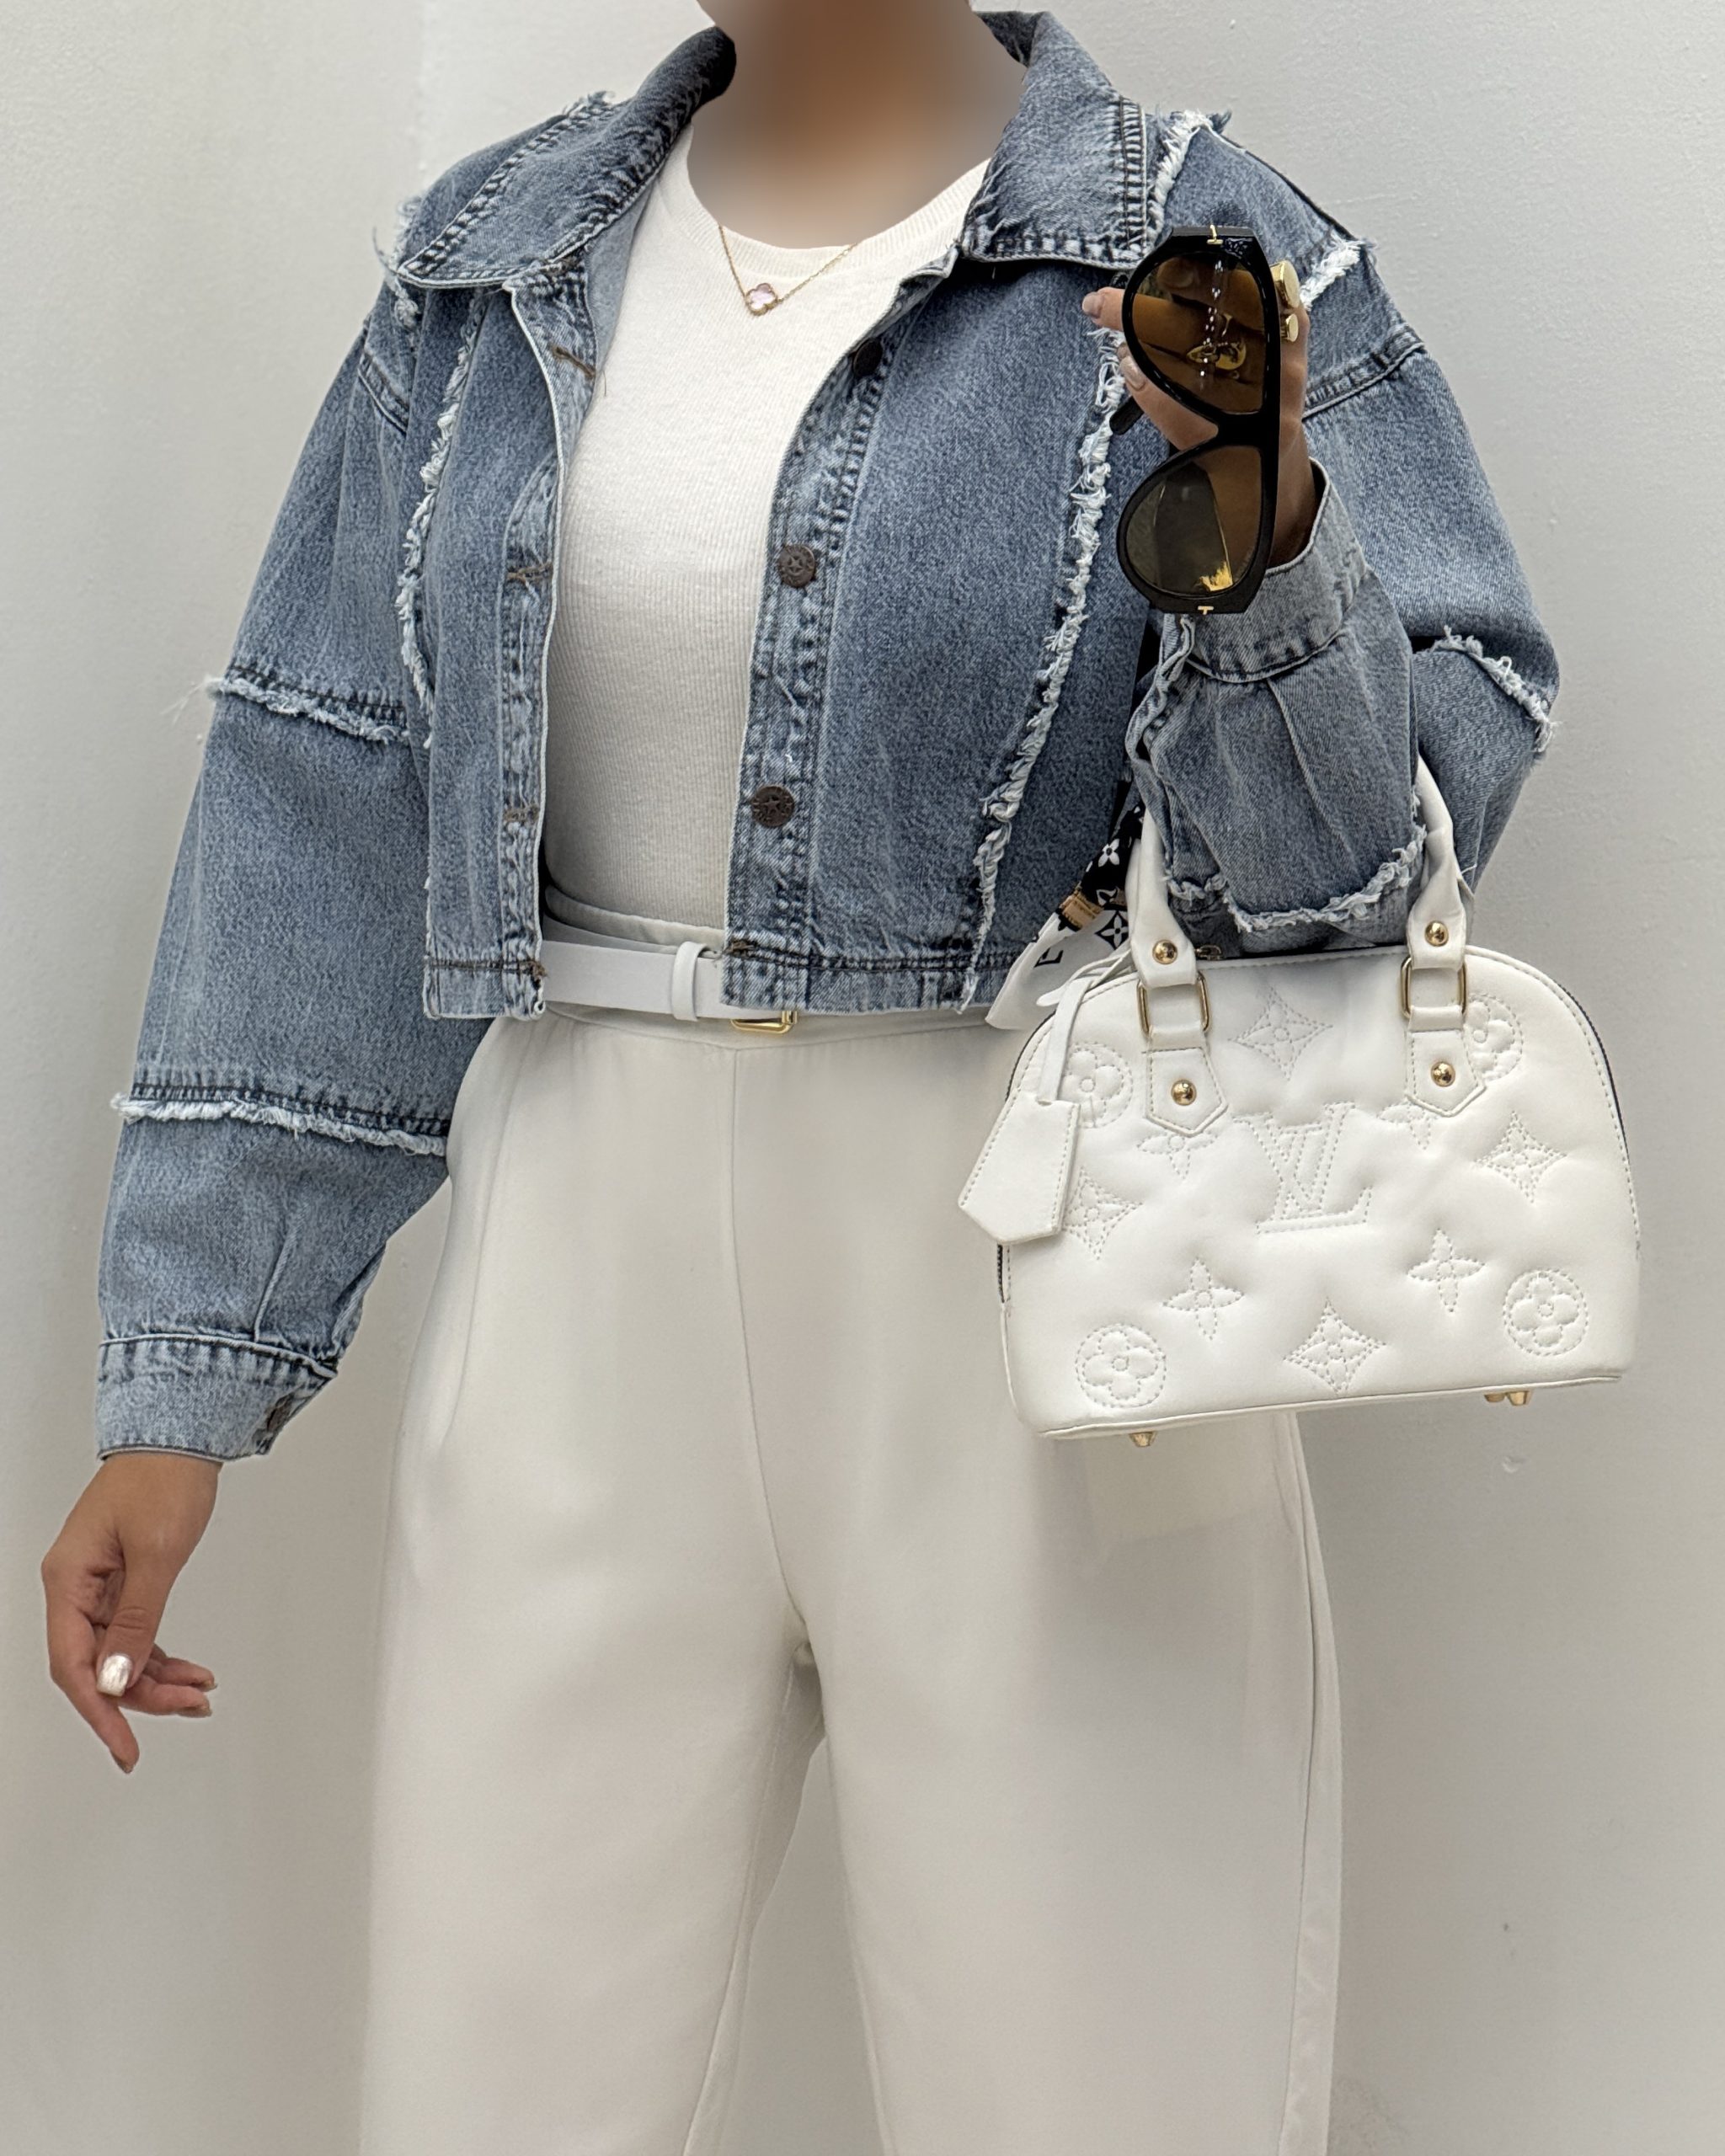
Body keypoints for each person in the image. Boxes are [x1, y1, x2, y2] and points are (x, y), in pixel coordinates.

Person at [41, 5, 1559, 2150]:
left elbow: (1349, 892)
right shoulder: (491, 267)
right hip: (579, 1255)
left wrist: (1266, 531)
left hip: (1043, 1246)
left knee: (1103, 2085)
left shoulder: (1206, 245)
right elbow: (325, 793)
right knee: (493, 2084)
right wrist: (185, 1384)